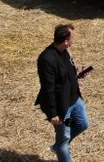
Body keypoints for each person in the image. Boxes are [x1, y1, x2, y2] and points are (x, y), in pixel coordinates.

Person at [36, 24, 90, 161]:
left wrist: (77, 72)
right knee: (64, 138)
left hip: (75, 99)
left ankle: (60, 145)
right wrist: (53, 113)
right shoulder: (46, 59)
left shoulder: (64, 50)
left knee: (82, 124)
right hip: (62, 107)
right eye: (73, 37)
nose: (74, 40)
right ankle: (61, 147)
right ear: (66, 40)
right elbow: (48, 89)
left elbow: (64, 73)